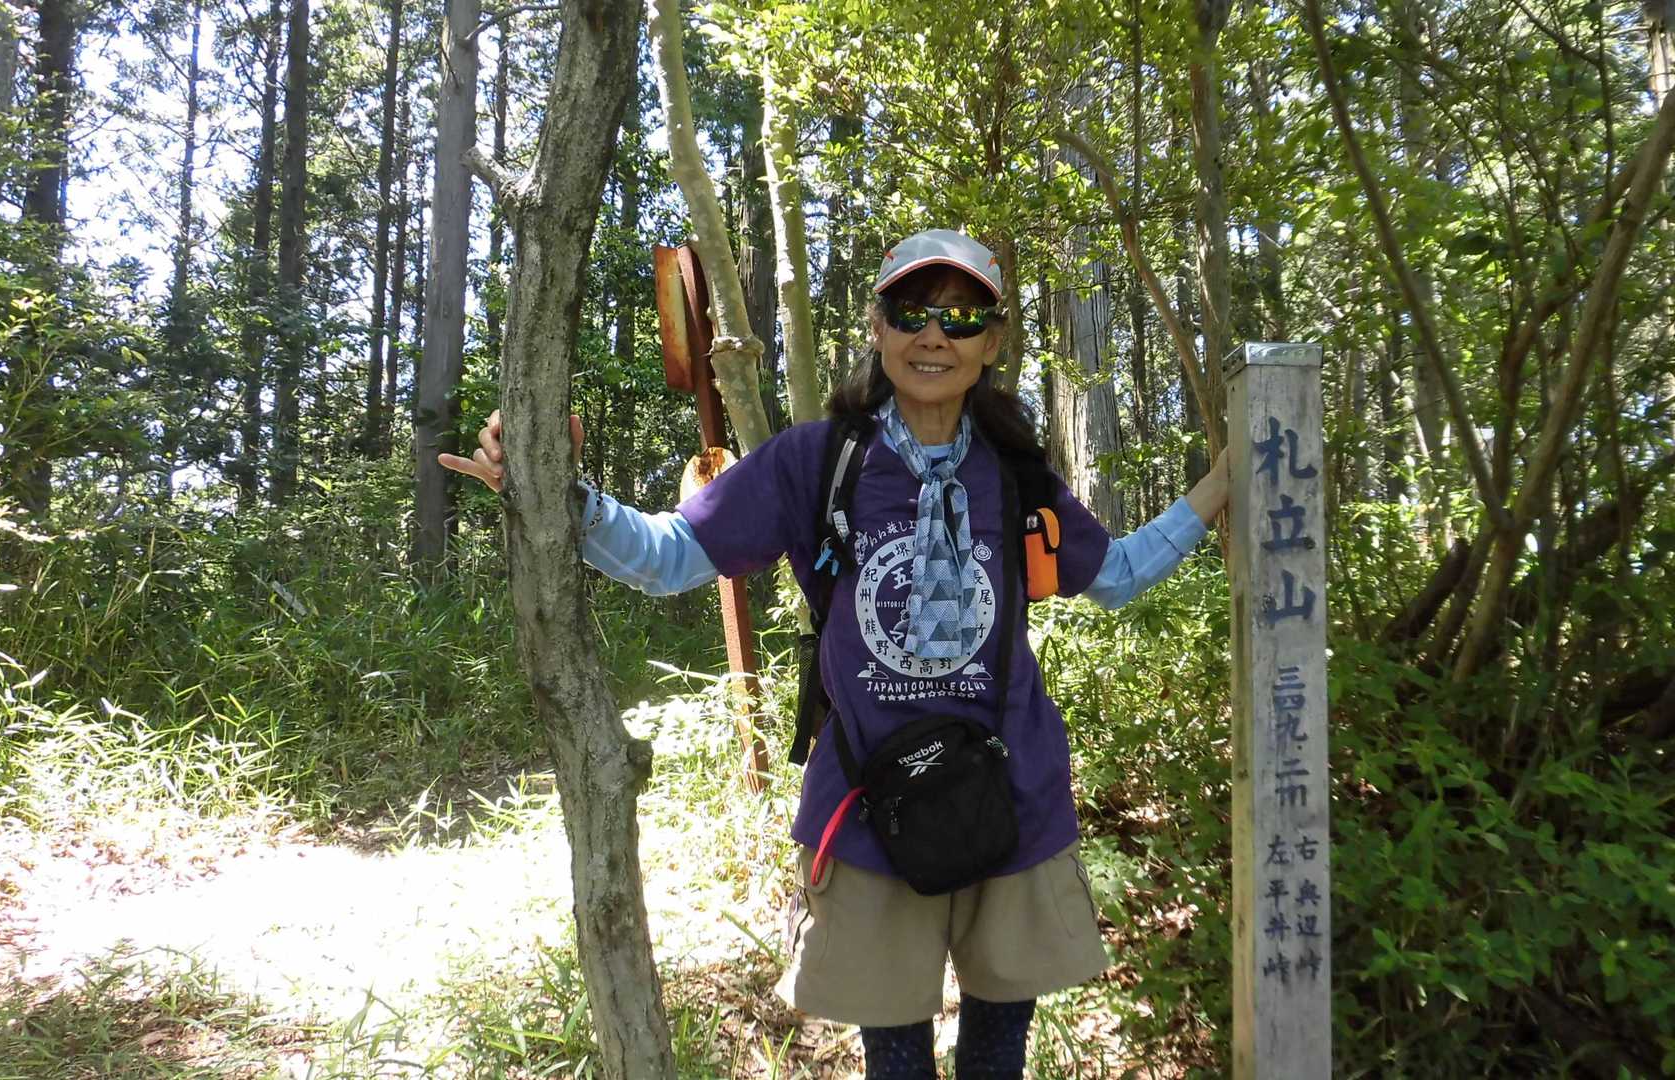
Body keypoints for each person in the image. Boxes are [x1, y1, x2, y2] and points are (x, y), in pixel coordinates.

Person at [442, 229, 1229, 1078]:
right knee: (896, 1060)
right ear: (878, 327)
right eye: (911, 312)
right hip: (866, 809)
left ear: (993, 341)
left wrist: (1225, 479)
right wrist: (558, 492)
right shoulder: (817, 462)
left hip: (1014, 796)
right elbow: (671, 557)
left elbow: (1115, 574)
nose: (935, 335)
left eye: (962, 318)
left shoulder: (1014, 472)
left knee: (998, 1055)